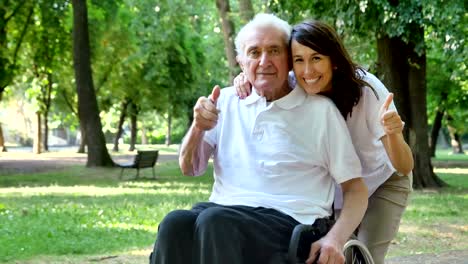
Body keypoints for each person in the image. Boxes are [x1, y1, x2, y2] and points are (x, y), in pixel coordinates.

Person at [149, 14, 368, 264]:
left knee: (217, 223)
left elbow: (356, 190)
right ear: (241, 62)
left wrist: (336, 239)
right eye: (254, 52)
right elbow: (189, 168)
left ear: (288, 59)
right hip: (223, 211)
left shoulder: (321, 111)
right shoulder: (224, 102)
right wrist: (198, 127)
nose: (264, 61)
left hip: (290, 220)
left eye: (274, 50)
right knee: (174, 223)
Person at [233, 19, 414, 264]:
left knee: (362, 257)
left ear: (334, 60)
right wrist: (245, 77)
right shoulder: (295, 84)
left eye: (316, 58)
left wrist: (392, 133)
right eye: (299, 60)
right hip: (342, 190)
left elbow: (404, 166)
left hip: (384, 180)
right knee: (329, 255)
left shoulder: (367, 90)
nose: (308, 70)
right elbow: (262, 78)